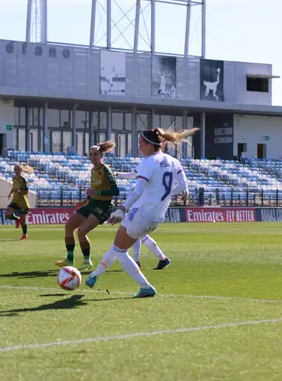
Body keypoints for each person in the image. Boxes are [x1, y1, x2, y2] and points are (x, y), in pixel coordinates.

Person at [85, 127, 197, 298]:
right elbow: (183, 188)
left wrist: (121, 209)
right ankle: (95, 275)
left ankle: (145, 287)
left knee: (120, 251)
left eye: (140, 144)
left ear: (149, 144)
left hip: (142, 212)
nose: (139, 147)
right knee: (117, 245)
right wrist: (163, 193)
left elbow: (137, 192)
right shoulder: (173, 161)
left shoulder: (149, 162)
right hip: (157, 216)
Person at [55, 141, 119, 270]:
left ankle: (86, 261)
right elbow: (94, 190)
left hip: (104, 206)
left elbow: (115, 191)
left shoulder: (105, 170)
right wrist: (85, 201)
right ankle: (69, 259)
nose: (93, 157)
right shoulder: (93, 170)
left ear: (101, 155)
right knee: (69, 227)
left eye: (95, 154)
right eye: (90, 154)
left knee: (81, 231)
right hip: (92, 203)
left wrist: (97, 192)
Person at [114, 169, 172, 270]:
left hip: (142, 206)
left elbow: (131, 176)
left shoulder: (148, 166)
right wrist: (118, 174)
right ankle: (162, 258)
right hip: (146, 206)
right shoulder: (156, 170)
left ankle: (137, 261)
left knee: (133, 231)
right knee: (139, 234)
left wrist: (117, 175)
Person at [5, 164, 33, 240]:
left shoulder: (23, 180)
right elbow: (14, 187)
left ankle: (24, 234)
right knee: (7, 214)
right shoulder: (14, 178)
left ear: (21, 171)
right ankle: (17, 219)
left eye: (18, 170)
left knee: (23, 222)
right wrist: (10, 193)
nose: (17, 171)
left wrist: (19, 191)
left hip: (23, 203)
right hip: (15, 201)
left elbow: (26, 191)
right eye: (15, 169)